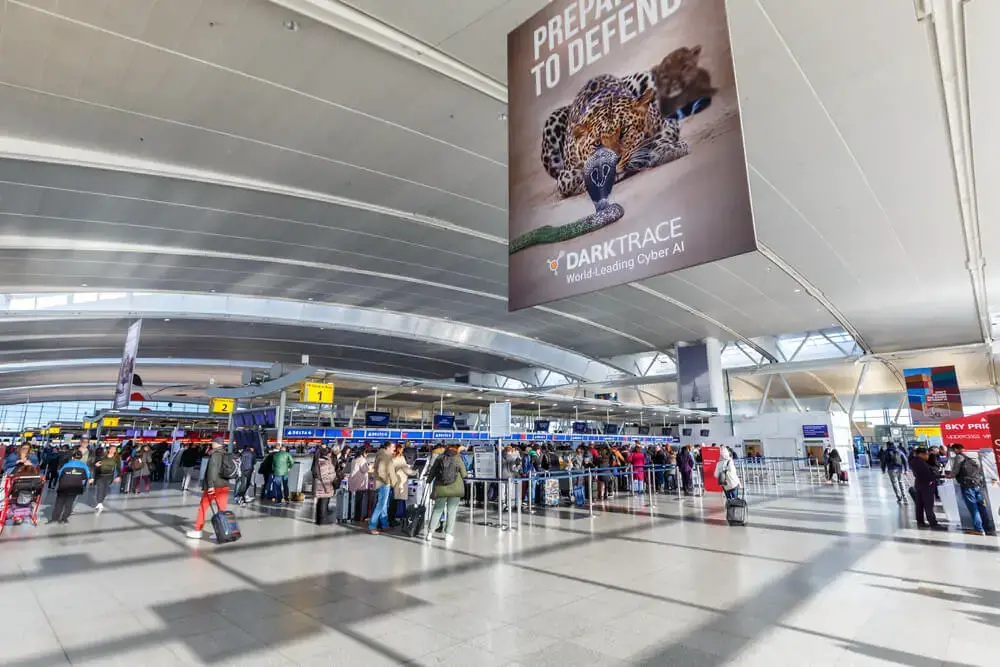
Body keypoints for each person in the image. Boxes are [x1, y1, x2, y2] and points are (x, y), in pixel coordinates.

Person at [186, 438, 232, 540]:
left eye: (212, 442)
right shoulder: (226, 454)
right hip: (224, 485)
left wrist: (210, 485)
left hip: (214, 486)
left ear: (216, 444)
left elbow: (212, 470)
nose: (211, 444)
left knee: (202, 508)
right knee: (222, 509)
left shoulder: (215, 454)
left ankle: (198, 531)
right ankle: (221, 532)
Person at [949, 444, 996, 536]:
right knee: (982, 507)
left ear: (956, 449)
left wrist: (949, 475)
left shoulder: (959, 457)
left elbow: (954, 473)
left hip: (967, 485)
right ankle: (988, 528)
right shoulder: (975, 455)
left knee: (973, 508)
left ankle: (979, 529)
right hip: (977, 484)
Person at [425, 444, 467, 543]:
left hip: (441, 488)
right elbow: (464, 474)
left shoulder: (440, 458)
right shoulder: (458, 458)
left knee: (437, 510)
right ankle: (448, 534)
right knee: (451, 512)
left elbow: (432, 472)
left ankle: (430, 533)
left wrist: (428, 481)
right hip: (455, 489)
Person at [51, 451, 91, 524]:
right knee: (69, 503)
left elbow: (60, 474)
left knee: (59, 503)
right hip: (75, 487)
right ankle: (64, 518)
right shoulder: (84, 466)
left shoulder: (66, 465)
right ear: (81, 458)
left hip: (63, 486)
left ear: (72, 457)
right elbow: (86, 477)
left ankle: (55, 518)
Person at [908, 447, 942, 529]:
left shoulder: (913, 461)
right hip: (926, 485)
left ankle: (920, 522)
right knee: (928, 505)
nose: (928, 456)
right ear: (921, 454)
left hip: (918, 484)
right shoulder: (921, 463)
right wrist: (940, 476)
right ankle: (933, 523)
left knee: (919, 505)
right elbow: (928, 475)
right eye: (926, 454)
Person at [367, 443, 396, 535]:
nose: (394, 449)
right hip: (384, 483)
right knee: (381, 505)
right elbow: (380, 471)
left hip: (382, 483)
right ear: (387, 447)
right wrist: (387, 481)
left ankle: (385, 524)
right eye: (393, 447)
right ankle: (372, 526)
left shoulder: (383, 455)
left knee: (384, 505)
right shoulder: (384, 456)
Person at [312, 445, 338, 525]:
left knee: (320, 503)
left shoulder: (320, 460)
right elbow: (324, 476)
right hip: (324, 486)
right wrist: (327, 488)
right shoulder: (324, 461)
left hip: (321, 485)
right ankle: (323, 521)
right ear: (327, 453)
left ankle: (319, 520)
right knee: (323, 503)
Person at [91, 444, 121, 512]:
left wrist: (118, 476)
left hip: (109, 476)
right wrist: (96, 465)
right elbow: (95, 464)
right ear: (109, 449)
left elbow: (119, 467)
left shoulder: (116, 457)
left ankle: (101, 500)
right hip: (100, 475)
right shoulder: (103, 456)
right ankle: (99, 503)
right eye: (112, 449)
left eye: (114, 449)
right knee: (100, 489)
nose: (113, 450)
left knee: (105, 491)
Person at [391, 444, 415, 525]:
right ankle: (393, 519)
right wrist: (415, 472)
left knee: (392, 501)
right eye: (402, 449)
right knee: (396, 501)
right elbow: (406, 470)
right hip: (400, 481)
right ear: (399, 450)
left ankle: (391, 518)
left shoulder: (391, 457)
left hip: (393, 481)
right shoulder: (400, 458)